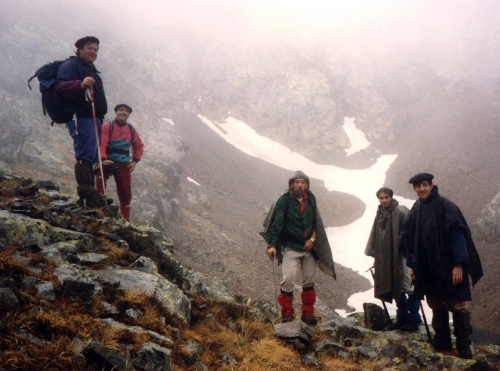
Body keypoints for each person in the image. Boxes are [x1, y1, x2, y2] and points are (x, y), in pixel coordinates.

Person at [400, 173, 483, 359]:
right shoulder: (417, 208)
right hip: (428, 268)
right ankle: (443, 339)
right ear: (414, 189)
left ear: (431, 185)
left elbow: (458, 235)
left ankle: (463, 345)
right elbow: (410, 237)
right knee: (436, 303)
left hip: (449, 267)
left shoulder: (446, 206)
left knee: (456, 305)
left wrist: (459, 264)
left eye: (424, 185)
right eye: (418, 186)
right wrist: (414, 265)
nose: (421, 189)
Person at [263, 171, 336, 325]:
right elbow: (277, 224)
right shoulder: (284, 201)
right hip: (291, 247)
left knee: (309, 281)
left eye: (303, 183)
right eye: (297, 182)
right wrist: (272, 245)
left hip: (309, 249)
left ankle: (308, 315)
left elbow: (316, 223)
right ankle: (287, 315)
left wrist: (312, 240)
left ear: (307, 185)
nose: (300, 185)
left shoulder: (311, 200)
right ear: (292, 184)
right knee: (288, 279)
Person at [56, 36, 111, 207]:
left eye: (95, 49)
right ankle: (88, 195)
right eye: (90, 48)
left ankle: (91, 196)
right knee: (85, 155)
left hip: (94, 118)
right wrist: (80, 85)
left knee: (92, 156)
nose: (93, 52)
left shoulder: (91, 70)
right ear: (79, 49)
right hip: (81, 116)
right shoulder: (71, 65)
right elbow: (61, 86)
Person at [365, 187, 421, 332]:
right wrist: (378, 257)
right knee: (395, 285)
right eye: (381, 198)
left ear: (391, 197)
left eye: (386, 197)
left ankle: (414, 319)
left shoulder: (401, 211)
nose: (384, 200)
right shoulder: (380, 214)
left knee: (409, 286)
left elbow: (412, 232)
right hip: (388, 256)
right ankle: (401, 317)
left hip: (403, 255)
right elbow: (378, 237)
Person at [95, 104, 144, 221]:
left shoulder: (132, 130)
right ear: (116, 112)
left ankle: (125, 218)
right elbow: (102, 143)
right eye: (121, 110)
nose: (123, 112)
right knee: (100, 174)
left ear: (128, 114)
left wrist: (135, 161)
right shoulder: (108, 126)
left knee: (125, 192)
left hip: (124, 163)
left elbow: (139, 146)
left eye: (126, 111)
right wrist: (103, 159)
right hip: (108, 160)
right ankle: (98, 205)